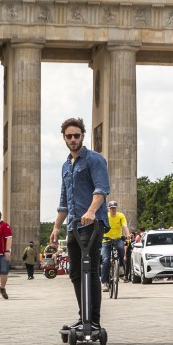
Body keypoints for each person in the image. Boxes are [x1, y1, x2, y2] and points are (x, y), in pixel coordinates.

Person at [49, 117, 111, 331]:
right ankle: (83, 316)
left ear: (83, 136)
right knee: (75, 273)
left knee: (91, 271)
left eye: (76, 135)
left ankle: (93, 321)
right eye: (69, 136)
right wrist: (56, 227)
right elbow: (64, 201)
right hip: (73, 226)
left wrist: (91, 211)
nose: (73, 139)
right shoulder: (66, 166)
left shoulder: (95, 159)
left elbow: (101, 189)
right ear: (64, 138)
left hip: (92, 225)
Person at [101, 201, 131, 290]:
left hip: (117, 238)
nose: (113, 210)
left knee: (121, 248)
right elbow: (101, 226)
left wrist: (127, 234)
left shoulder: (120, 216)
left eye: (114, 208)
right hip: (106, 239)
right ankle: (104, 283)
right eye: (111, 208)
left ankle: (121, 266)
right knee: (105, 260)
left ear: (116, 208)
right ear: (109, 209)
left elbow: (124, 225)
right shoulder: (106, 216)